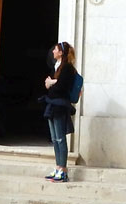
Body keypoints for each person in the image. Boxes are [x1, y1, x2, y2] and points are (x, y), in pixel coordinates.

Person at [41, 41, 78, 183]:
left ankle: (63, 170)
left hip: (60, 106)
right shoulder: (56, 67)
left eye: (55, 50)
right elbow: (49, 86)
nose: (53, 52)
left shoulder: (67, 68)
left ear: (61, 52)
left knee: (61, 138)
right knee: (55, 139)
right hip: (52, 105)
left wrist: (52, 83)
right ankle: (57, 167)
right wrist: (52, 83)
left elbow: (62, 87)